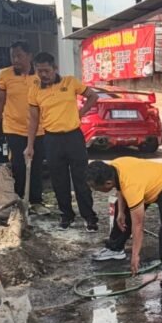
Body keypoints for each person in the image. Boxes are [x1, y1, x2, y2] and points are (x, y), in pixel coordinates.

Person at [24, 52, 101, 231]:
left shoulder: (70, 82)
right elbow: (33, 120)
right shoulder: (34, 90)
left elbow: (93, 96)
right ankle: (66, 215)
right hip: (51, 139)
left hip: (73, 137)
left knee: (81, 178)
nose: (43, 75)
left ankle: (89, 216)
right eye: (39, 71)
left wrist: (80, 113)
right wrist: (29, 145)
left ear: (55, 68)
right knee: (59, 180)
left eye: (47, 70)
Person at [86, 159, 162, 285]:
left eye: (95, 188)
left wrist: (135, 255)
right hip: (145, 184)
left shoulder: (131, 187)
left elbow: (138, 224)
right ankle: (115, 248)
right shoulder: (113, 168)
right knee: (122, 211)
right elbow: (120, 187)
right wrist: (121, 212)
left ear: (108, 183)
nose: (94, 190)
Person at [0, 40, 47, 215]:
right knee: (18, 166)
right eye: (13, 56)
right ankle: (20, 200)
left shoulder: (40, 76)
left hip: (38, 129)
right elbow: (0, 100)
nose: (15, 60)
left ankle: (36, 201)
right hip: (13, 128)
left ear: (29, 56)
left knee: (36, 165)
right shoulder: (4, 75)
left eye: (19, 56)